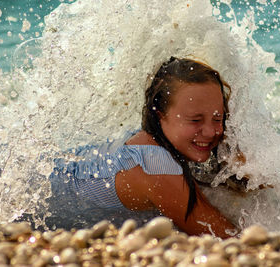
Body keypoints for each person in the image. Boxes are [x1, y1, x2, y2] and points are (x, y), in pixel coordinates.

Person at [46, 57, 237, 238]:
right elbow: (225, 236)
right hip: (36, 197)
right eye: (195, 120)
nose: (211, 131)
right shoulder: (154, 165)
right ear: (161, 115)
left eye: (217, 118)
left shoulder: (155, 141)